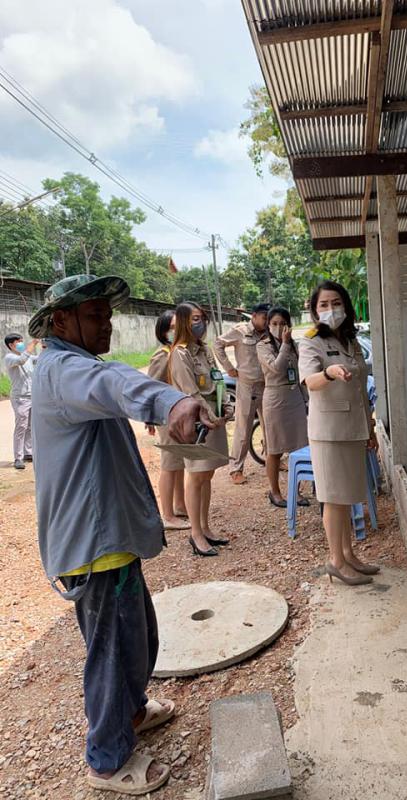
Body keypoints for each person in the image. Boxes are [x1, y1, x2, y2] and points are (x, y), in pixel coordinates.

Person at [28, 274, 213, 795]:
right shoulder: (64, 370)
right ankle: (107, 760)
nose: (107, 324)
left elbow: (111, 381)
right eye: (95, 315)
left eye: (108, 315)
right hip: (95, 544)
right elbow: (113, 384)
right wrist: (171, 403)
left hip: (108, 538)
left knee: (137, 638)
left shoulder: (75, 365)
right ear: (61, 321)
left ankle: (131, 714)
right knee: (113, 653)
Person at [298, 280, 379, 587]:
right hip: (329, 432)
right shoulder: (310, 341)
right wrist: (329, 373)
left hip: (353, 427)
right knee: (333, 498)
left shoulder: (350, 340)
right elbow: (310, 381)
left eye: (336, 303)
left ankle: (348, 554)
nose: (330, 309)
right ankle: (335, 561)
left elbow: (360, 390)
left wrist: (369, 427)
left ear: (345, 306)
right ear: (314, 310)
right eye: (323, 304)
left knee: (346, 497)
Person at [169, 301, 233, 556]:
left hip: (214, 419)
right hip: (196, 423)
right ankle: (195, 534)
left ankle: (205, 528)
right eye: (195, 318)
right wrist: (210, 415)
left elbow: (217, 380)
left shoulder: (204, 349)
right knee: (196, 476)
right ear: (184, 322)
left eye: (203, 318)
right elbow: (190, 392)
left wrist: (226, 404)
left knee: (207, 475)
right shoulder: (180, 354)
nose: (201, 323)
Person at [257, 306, 309, 507]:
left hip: (294, 398)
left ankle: (296, 491)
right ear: (268, 325)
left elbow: (298, 373)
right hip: (275, 401)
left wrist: (306, 399)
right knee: (275, 449)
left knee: (298, 447)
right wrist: (285, 344)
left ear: (289, 325)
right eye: (274, 323)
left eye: (282, 323)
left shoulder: (294, 345)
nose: (278, 327)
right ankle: (275, 492)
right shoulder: (263, 346)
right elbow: (277, 368)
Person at [214, 302, 269, 484]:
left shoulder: (268, 332)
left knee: (271, 426)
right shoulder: (240, 331)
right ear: (254, 316)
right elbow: (218, 343)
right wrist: (229, 368)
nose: (267, 321)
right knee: (243, 429)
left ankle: (272, 459)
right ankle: (236, 469)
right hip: (247, 386)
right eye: (264, 318)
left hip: (267, 385)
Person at [146, 310, 190, 531]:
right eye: (171, 328)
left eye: (178, 326)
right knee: (169, 465)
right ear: (163, 331)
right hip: (167, 416)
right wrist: (150, 418)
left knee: (178, 462)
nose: (175, 331)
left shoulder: (178, 351)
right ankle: (168, 515)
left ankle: (180, 505)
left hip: (179, 415)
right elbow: (151, 388)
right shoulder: (163, 355)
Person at [4, 332, 38, 469]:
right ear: (11, 345)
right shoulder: (10, 357)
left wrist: (46, 346)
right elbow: (22, 360)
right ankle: (18, 457)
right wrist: (32, 344)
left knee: (30, 426)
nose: (21, 343)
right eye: (18, 341)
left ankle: (28, 452)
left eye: (22, 341)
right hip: (20, 398)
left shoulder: (27, 357)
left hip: (31, 396)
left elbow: (40, 359)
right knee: (21, 427)